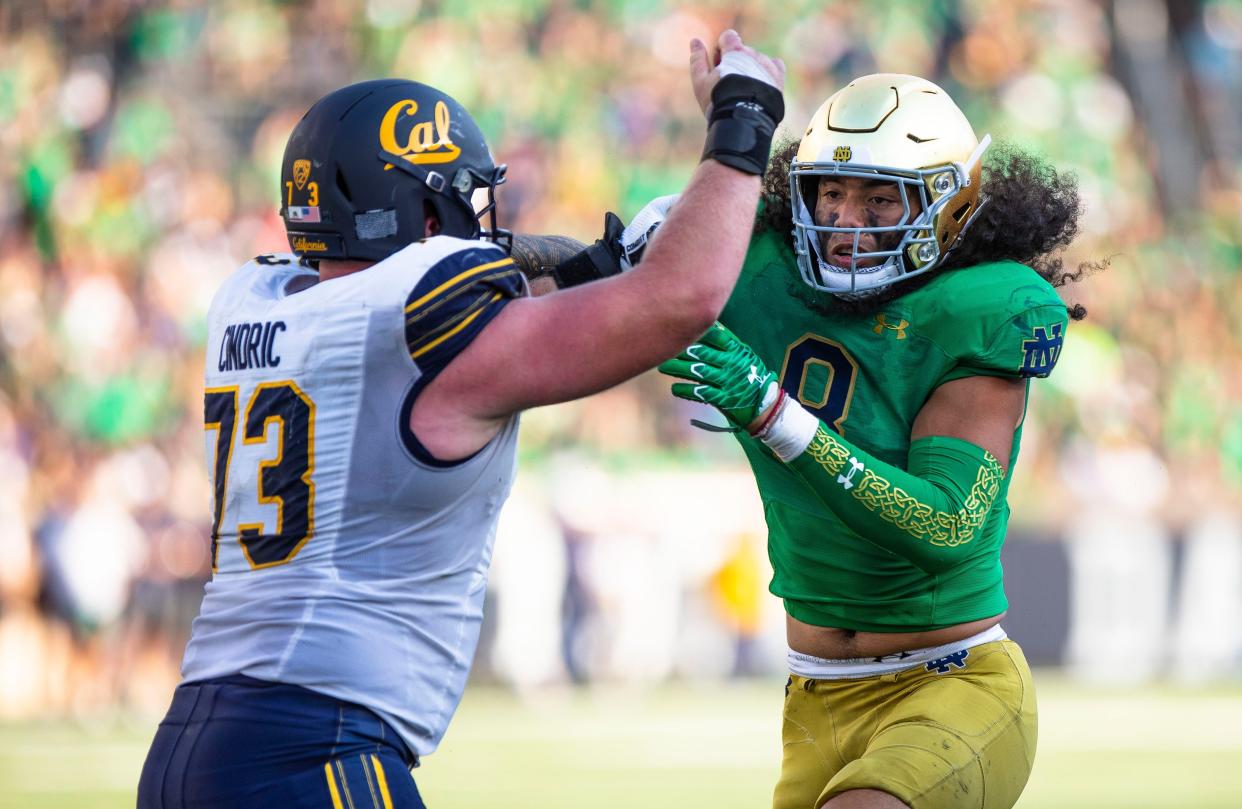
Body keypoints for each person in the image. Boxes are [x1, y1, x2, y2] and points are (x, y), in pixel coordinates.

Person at [136, 30, 785, 809]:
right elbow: (679, 299)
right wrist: (742, 120)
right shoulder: (415, 324)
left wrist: (591, 268)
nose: (482, 222)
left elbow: (461, 309)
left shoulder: (260, 299)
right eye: (465, 199)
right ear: (424, 206)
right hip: (316, 749)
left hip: (194, 742)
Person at [571, 73, 1098, 809]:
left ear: (949, 203)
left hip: (951, 684)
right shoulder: (756, 265)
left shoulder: (980, 308)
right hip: (812, 698)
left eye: (882, 198)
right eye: (832, 192)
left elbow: (947, 522)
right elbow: (577, 295)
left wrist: (772, 411)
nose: (846, 220)